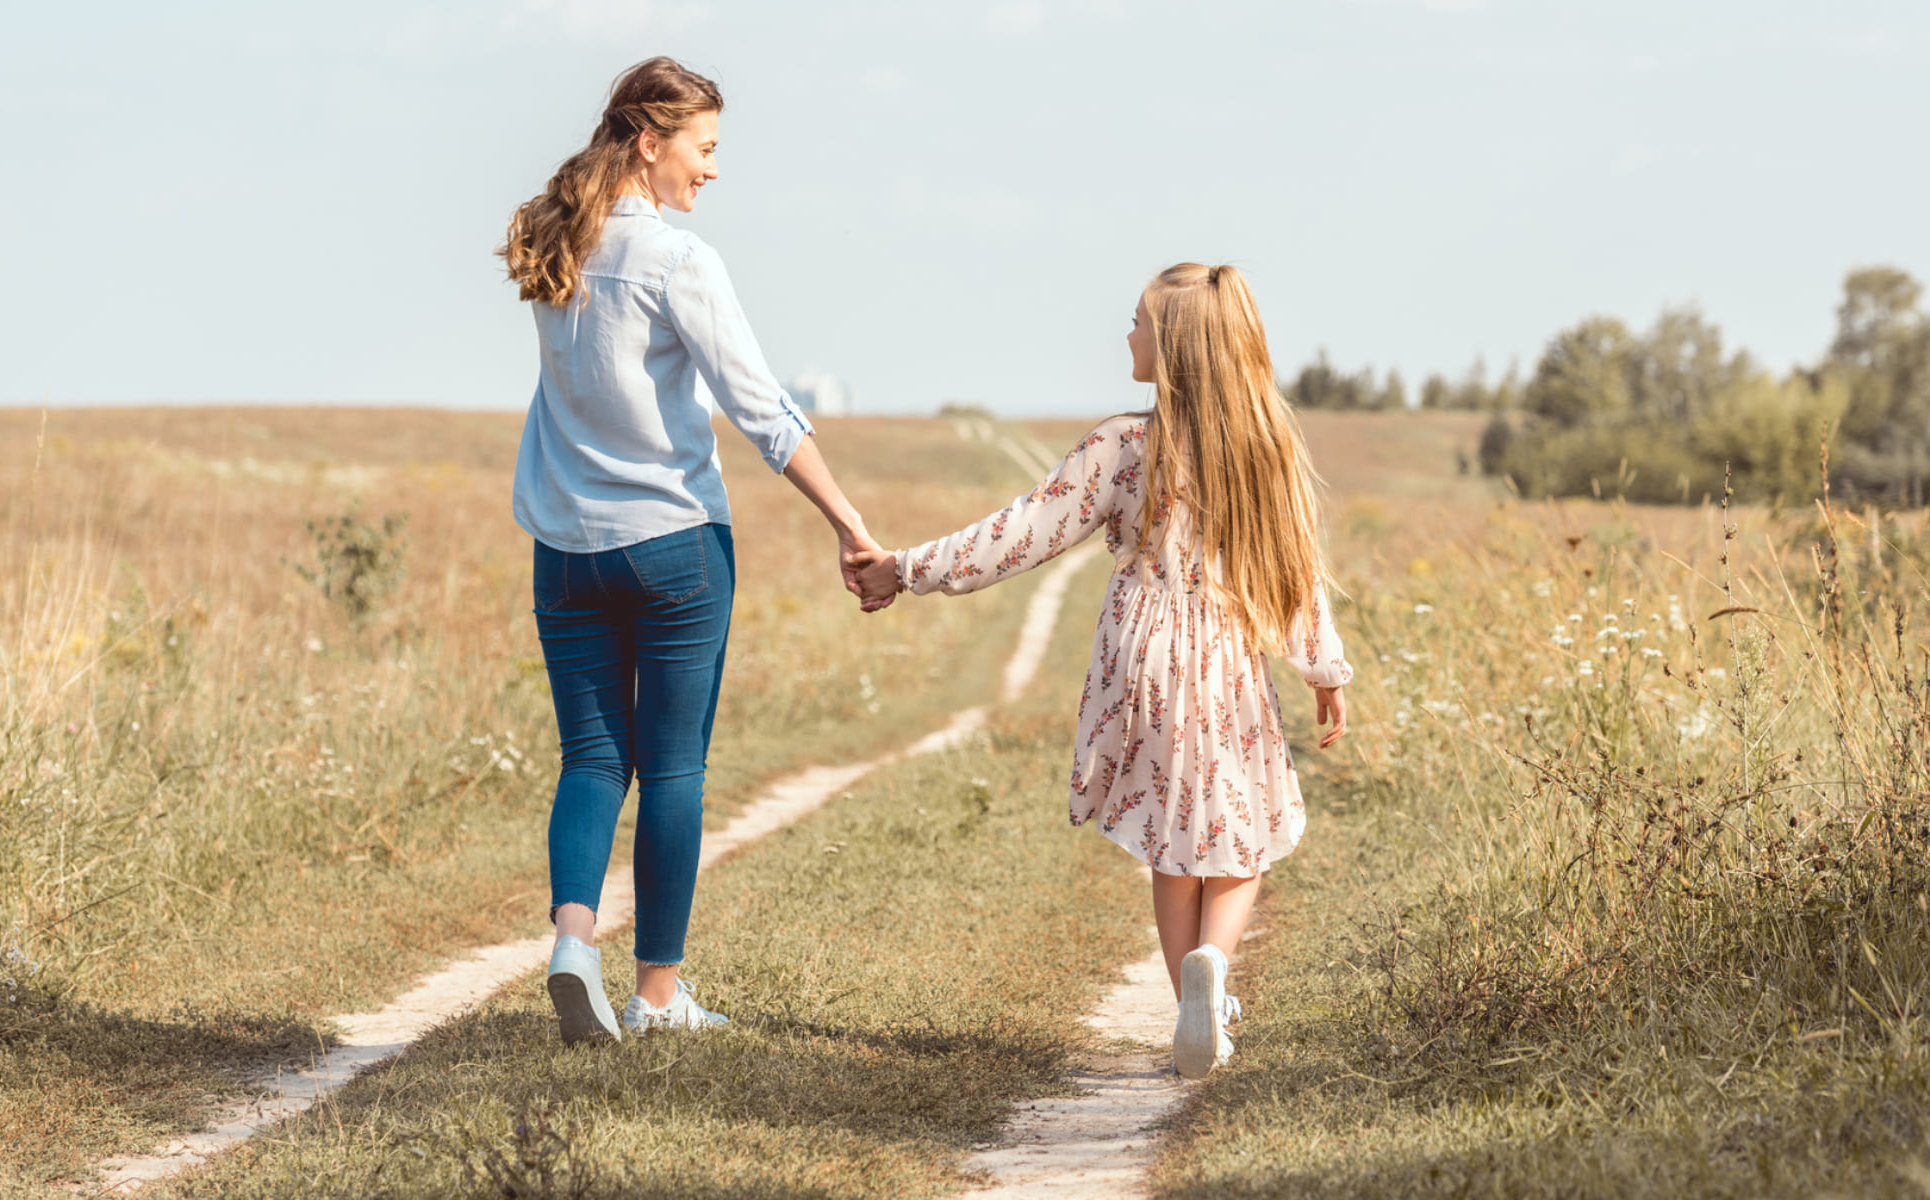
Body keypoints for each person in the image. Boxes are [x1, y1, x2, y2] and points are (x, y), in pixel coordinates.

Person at [852, 263, 1353, 1078]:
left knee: (1169, 835)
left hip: (1141, 655)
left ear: (1176, 349)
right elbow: (1295, 566)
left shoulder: (1123, 446)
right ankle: (1213, 981)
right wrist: (1323, 667)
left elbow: (1020, 534)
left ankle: (1188, 1001)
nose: (1127, 335)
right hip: (1225, 651)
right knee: (1242, 831)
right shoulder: (1266, 447)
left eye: (1139, 324)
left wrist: (908, 569)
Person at [500, 56, 888, 1044]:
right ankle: (657, 999)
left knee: (591, 758)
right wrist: (849, 523)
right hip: (674, 548)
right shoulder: (677, 260)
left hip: (566, 550)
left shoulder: (560, 246)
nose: (711, 171)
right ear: (649, 140)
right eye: (704, 149)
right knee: (672, 772)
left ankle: (573, 944)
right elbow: (763, 411)